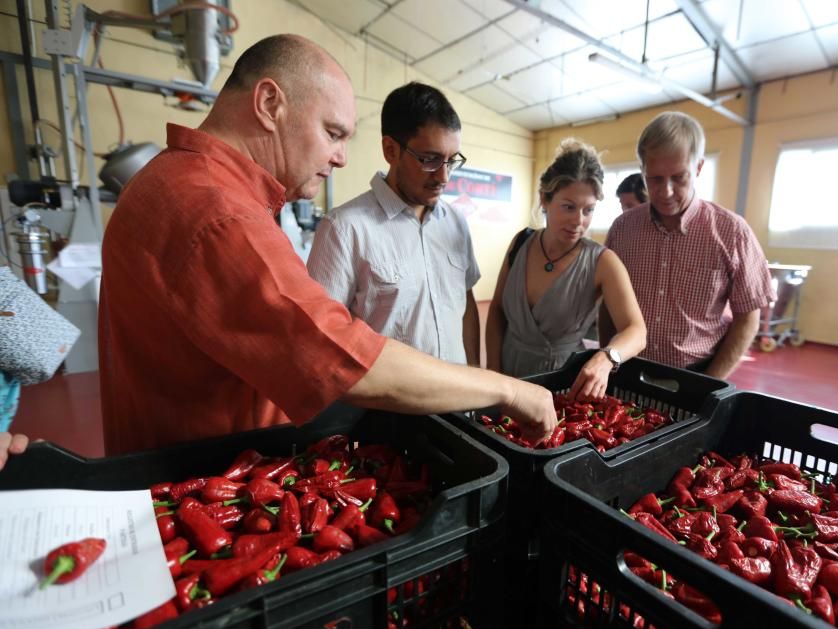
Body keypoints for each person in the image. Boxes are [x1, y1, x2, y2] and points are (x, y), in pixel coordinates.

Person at [94, 34, 555, 457]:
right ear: (270, 103)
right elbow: (340, 355)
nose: (340, 157)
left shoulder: (175, 181)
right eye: (332, 133)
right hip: (208, 468)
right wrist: (507, 389)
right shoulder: (216, 211)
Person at [307, 83, 480, 366]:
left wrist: (475, 376)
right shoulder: (345, 229)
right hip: (387, 408)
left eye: (451, 161)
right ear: (390, 150)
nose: (444, 176)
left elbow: (466, 305)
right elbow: (321, 339)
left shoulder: (456, 223)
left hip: (458, 404)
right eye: (429, 159)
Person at [600, 111, 773, 379]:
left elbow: (748, 316)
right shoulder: (623, 230)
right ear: (643, 170)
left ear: (699, 167)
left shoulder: (732, 233)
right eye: (654, 179)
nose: (666, 191)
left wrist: (710, 383)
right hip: (629, 370)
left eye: (679, 177)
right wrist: (608, 360)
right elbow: (608, 304)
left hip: (697, 374)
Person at [486, 139, 646, 401]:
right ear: (545, 200)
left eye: (588, 210)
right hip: (508, 376)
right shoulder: (521, 243)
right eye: (569, 207)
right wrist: (494, 374)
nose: (578, 221)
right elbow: (497, 311)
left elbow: (637, 331)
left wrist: (607, 357)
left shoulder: (603, 262)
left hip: (561, 386)